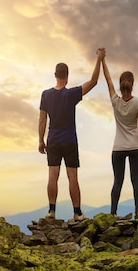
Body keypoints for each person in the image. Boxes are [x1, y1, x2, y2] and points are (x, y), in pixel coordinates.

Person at [38, 48, 105, 221]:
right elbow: (94, 81)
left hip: (52, 139)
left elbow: (42, 119)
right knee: (72, 176)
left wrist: (40, 140)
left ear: (55, 75)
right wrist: (99, 59)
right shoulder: (71, 94)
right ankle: (77, 213)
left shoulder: (46, 95)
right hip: (69, 140)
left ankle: (51, 211)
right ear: (67, 75)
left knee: (53, 175)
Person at [101, 50, 138, 219]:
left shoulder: (115, 101)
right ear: (133, 84)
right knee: (136, 180)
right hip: (135, 146)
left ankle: (113, 213)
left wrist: (102, 60)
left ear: (121, 84)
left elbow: (107, 79)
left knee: (117, 182)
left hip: (118, 147)